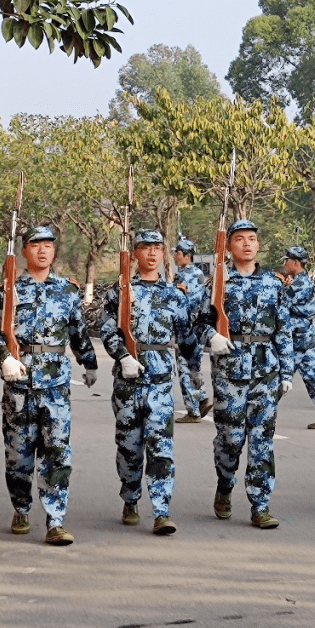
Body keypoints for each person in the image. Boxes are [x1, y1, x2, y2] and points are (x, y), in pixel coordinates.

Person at [0, 226, 98, 546]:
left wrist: (89, 362)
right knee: (18, 456)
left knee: (57, 452)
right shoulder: (9, 291)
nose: (43, 251)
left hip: (56, 385)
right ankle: (21, 507)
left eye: (48, 245)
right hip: (19, 383)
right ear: (24, 251)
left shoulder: (67, 291)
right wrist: (3, 357)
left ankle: (55, 519)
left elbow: (78, 332)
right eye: (36, 245)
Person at [195, 219, 293, 530]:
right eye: (240, 239)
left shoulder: (273, 284)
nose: (247, 244)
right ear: (229, 246)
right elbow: (197, 323)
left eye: (252, 238)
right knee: (231, 439)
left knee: (262, 440)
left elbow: (284, 330)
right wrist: (211, 336)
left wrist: (287, 371)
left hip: (266, 368)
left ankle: (260, 505)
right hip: (230, 370)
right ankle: (225, 484)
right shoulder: (218, 283)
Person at [100, 229, 195, 535]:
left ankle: (161, 510)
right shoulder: (120, 292)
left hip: (161, 382)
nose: (152, 253)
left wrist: (196, 374)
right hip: (128, 381)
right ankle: (130, 497)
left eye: (158, 247)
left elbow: (187, 335)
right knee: (129, 447)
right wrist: (122, 355)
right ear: (135, 254)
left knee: (161, 446)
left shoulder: (174, 295)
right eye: (146, 247)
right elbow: (106, 329)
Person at [281, 246, 315, 429]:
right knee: (312, 376)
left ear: (295, 262)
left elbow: (282, 305)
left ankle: (262, 414)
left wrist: (281, 287)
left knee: (281, 375)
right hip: (306, 335)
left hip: (296, 337)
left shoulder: (298, 285)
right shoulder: (302, 282)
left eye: (287, 260)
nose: (285, 264)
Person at [172, 238, 213, 423]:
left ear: (186, 256)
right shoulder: (199, 274)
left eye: (178, 254)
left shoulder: (183, 276)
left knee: (183, 366)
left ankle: (194, 409)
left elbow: (182, 303)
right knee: (193, 364)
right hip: (198, 325)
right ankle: (201, 397)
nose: (175, 257)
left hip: (186, 326)